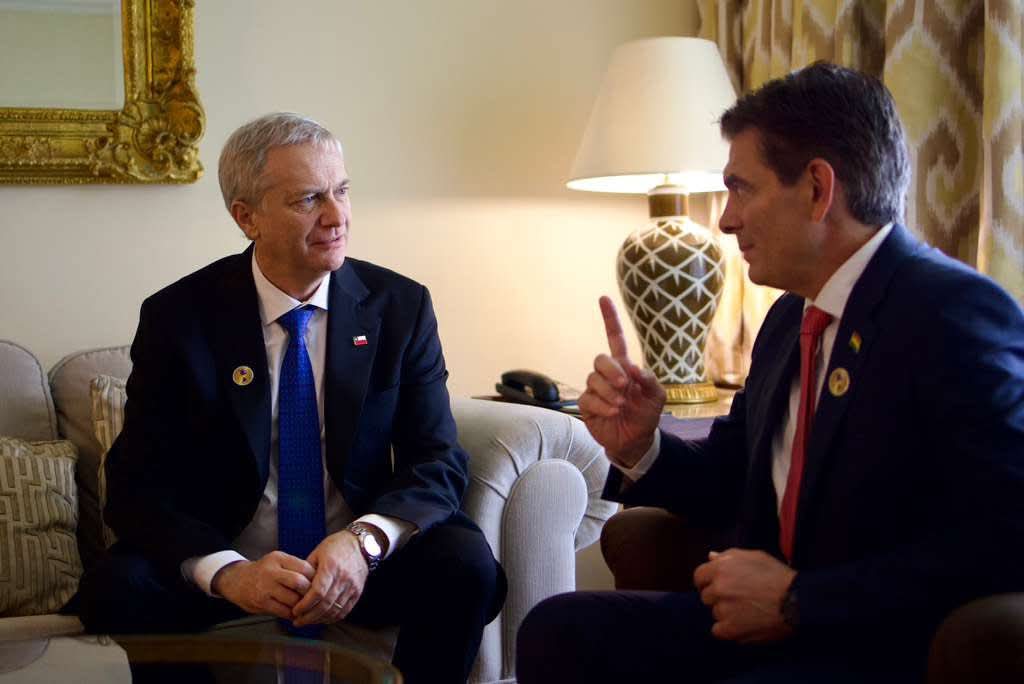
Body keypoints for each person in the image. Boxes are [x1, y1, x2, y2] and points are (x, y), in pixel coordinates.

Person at [516, 62, 1024, 683]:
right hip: (763, 629)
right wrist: (643, 447)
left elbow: (1005, 536)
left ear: (817, 188)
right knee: (555, 631)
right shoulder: (791, 318)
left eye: (742, 188)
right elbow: (731, 478)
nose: (727, 220)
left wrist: (800, 599)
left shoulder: (951, 313)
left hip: (870, 638)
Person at [74, 112, 506, 683]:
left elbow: (437, 462)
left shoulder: (399, 306)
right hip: (235, 565)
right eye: (308, 199)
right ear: (246, 217)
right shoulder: (179, 317)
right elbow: (134, 487)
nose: (337, 216)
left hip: (357, 566)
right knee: (118, 585)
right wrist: (227, 571)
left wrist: (364, 543)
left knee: (467, 564)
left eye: (342, 191)